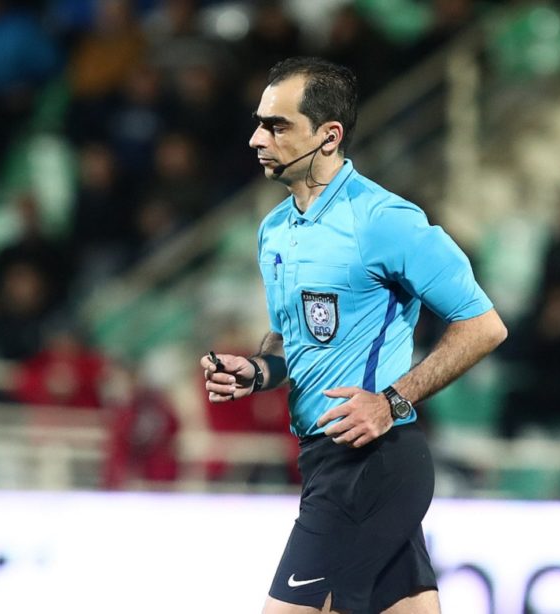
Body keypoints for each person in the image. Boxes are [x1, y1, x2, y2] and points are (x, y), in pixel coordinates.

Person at [199, 58, 507, 614]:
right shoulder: (274, 231)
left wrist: (391, 402)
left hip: (371, 460)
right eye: (259, 123)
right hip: (323, 459)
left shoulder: (385, 220)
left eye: (277, 126)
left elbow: (483, 325)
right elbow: (291, 339)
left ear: (328, 135)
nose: (256, 139)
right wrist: (259, 371)